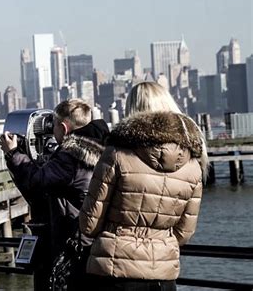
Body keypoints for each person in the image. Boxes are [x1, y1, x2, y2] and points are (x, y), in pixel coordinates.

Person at [79, 82, 209, 290]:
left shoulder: (116, 154)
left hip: (116, 270)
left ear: (132, 110)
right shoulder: (192, 165)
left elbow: (89, 224)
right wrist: (158, 242)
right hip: (163, 277)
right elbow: (184, 233)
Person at [0, 98, 109, 290]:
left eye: (54, 126)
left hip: (70, 243)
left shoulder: (70, 156)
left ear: (64, 128)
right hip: (92, 241)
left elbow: (36, 181)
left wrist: (13, 153)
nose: (52, 131)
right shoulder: (103, 149)